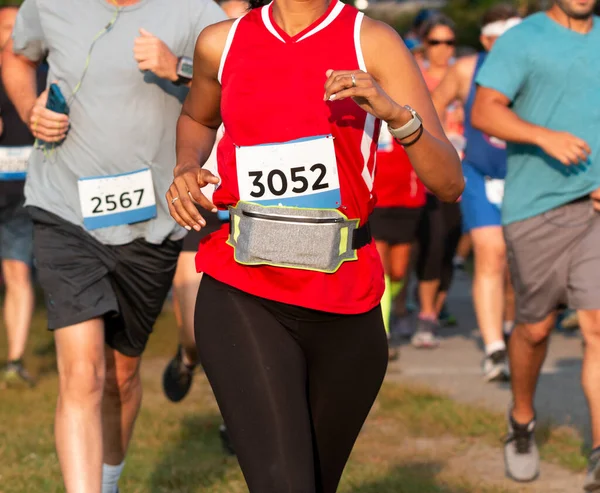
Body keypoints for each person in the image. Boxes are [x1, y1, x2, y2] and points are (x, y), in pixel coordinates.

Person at [167, 0, 464, 490]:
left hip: (346, 297)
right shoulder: (221, 42)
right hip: (243, 285)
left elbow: (449, 183)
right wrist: (185, 166)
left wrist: (395, 116)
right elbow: (197, 121)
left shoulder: (372, 41)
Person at [2, 1, 226, 492]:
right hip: (64, 210)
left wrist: (180, 69)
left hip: (152, 222)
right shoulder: (50, 4)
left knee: (121, 378)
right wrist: (29, 109)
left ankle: (107, 482)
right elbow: (16, 56)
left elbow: (242, 84)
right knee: (83, 373)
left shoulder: (194, 11)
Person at [472, 0, 600, 486]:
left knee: (596, 327)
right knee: (536, 329)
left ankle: (598, 453)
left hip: (595, 209)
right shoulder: (522, 39)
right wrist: (544, 138)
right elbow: (485, 111)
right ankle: (522, 420)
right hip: (537, 206)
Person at [163, 0, 249, 405]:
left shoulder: (270, 54)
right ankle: (187, 354)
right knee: (196, 328)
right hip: (199, 198)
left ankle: (234, 415)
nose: (229, 32)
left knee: (246, 326)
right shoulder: (197, 45)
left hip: (251, 201)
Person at [432, 4, 521, 381]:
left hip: (527, 178)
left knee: (518, 266)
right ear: (486, 40)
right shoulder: (468, 69)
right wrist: (446, 144)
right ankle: (494, 349)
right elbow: (431, 108)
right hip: (480, 173)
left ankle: (511, 331)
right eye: (504, 37)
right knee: (491, 253)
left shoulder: (533, 69)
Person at [411, 13, 464, 348]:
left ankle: (435, 307)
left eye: (449, 42)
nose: (442, 49)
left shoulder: (466, 75)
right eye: (435, 42)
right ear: (424, 45)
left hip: (464, 173)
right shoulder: (415, 77)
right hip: (423, 172)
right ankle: (423, 313)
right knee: (428, 244)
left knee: (449, 246)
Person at [0, 4, 43, 388]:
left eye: (15, 26)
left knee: (17, 272)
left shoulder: (42, 74)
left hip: (21, 192)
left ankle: (14, 358)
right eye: (3, 26)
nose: (9, 34)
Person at [373, 123, 425, 358]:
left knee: (398, 272)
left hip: (407, 200)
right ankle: (382, 334)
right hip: (376, 199)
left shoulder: (409, 107)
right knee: (380, 270)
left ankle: (388, 310)